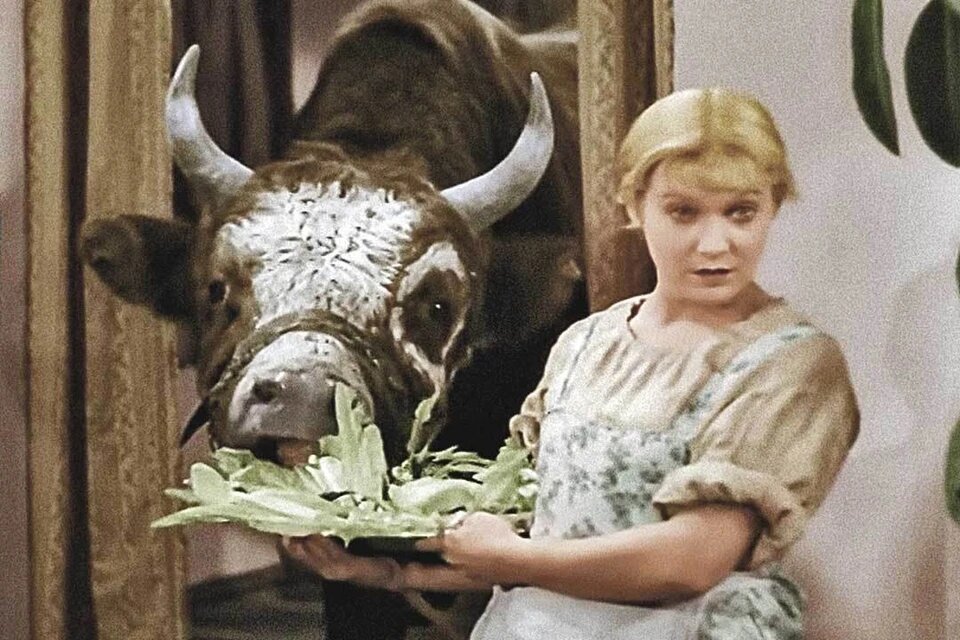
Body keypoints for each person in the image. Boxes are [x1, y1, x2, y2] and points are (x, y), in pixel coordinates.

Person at [284, 87, 860, 638]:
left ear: (773, 206)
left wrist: (512, 558)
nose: (715, 243)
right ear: (635, 205)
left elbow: (692, 559)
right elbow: (537, 531)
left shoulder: (790, 363)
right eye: (684, 212)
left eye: (741, 212)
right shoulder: (587, 343)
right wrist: (386, 573)